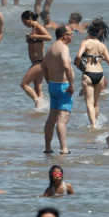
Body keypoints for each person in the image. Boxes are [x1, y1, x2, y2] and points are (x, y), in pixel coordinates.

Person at [41, 26, 74, 154]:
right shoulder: (63, 47)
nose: (72, 36)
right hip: (64, 86)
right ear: (64, 35)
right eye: (70, 34)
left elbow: (43, 66)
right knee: (62, 119)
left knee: (51, 117)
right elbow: (66, 65)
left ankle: (48, 148)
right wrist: (71, 84)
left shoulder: (50, 48)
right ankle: (64, 148)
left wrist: (48, 80)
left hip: (53, 86)